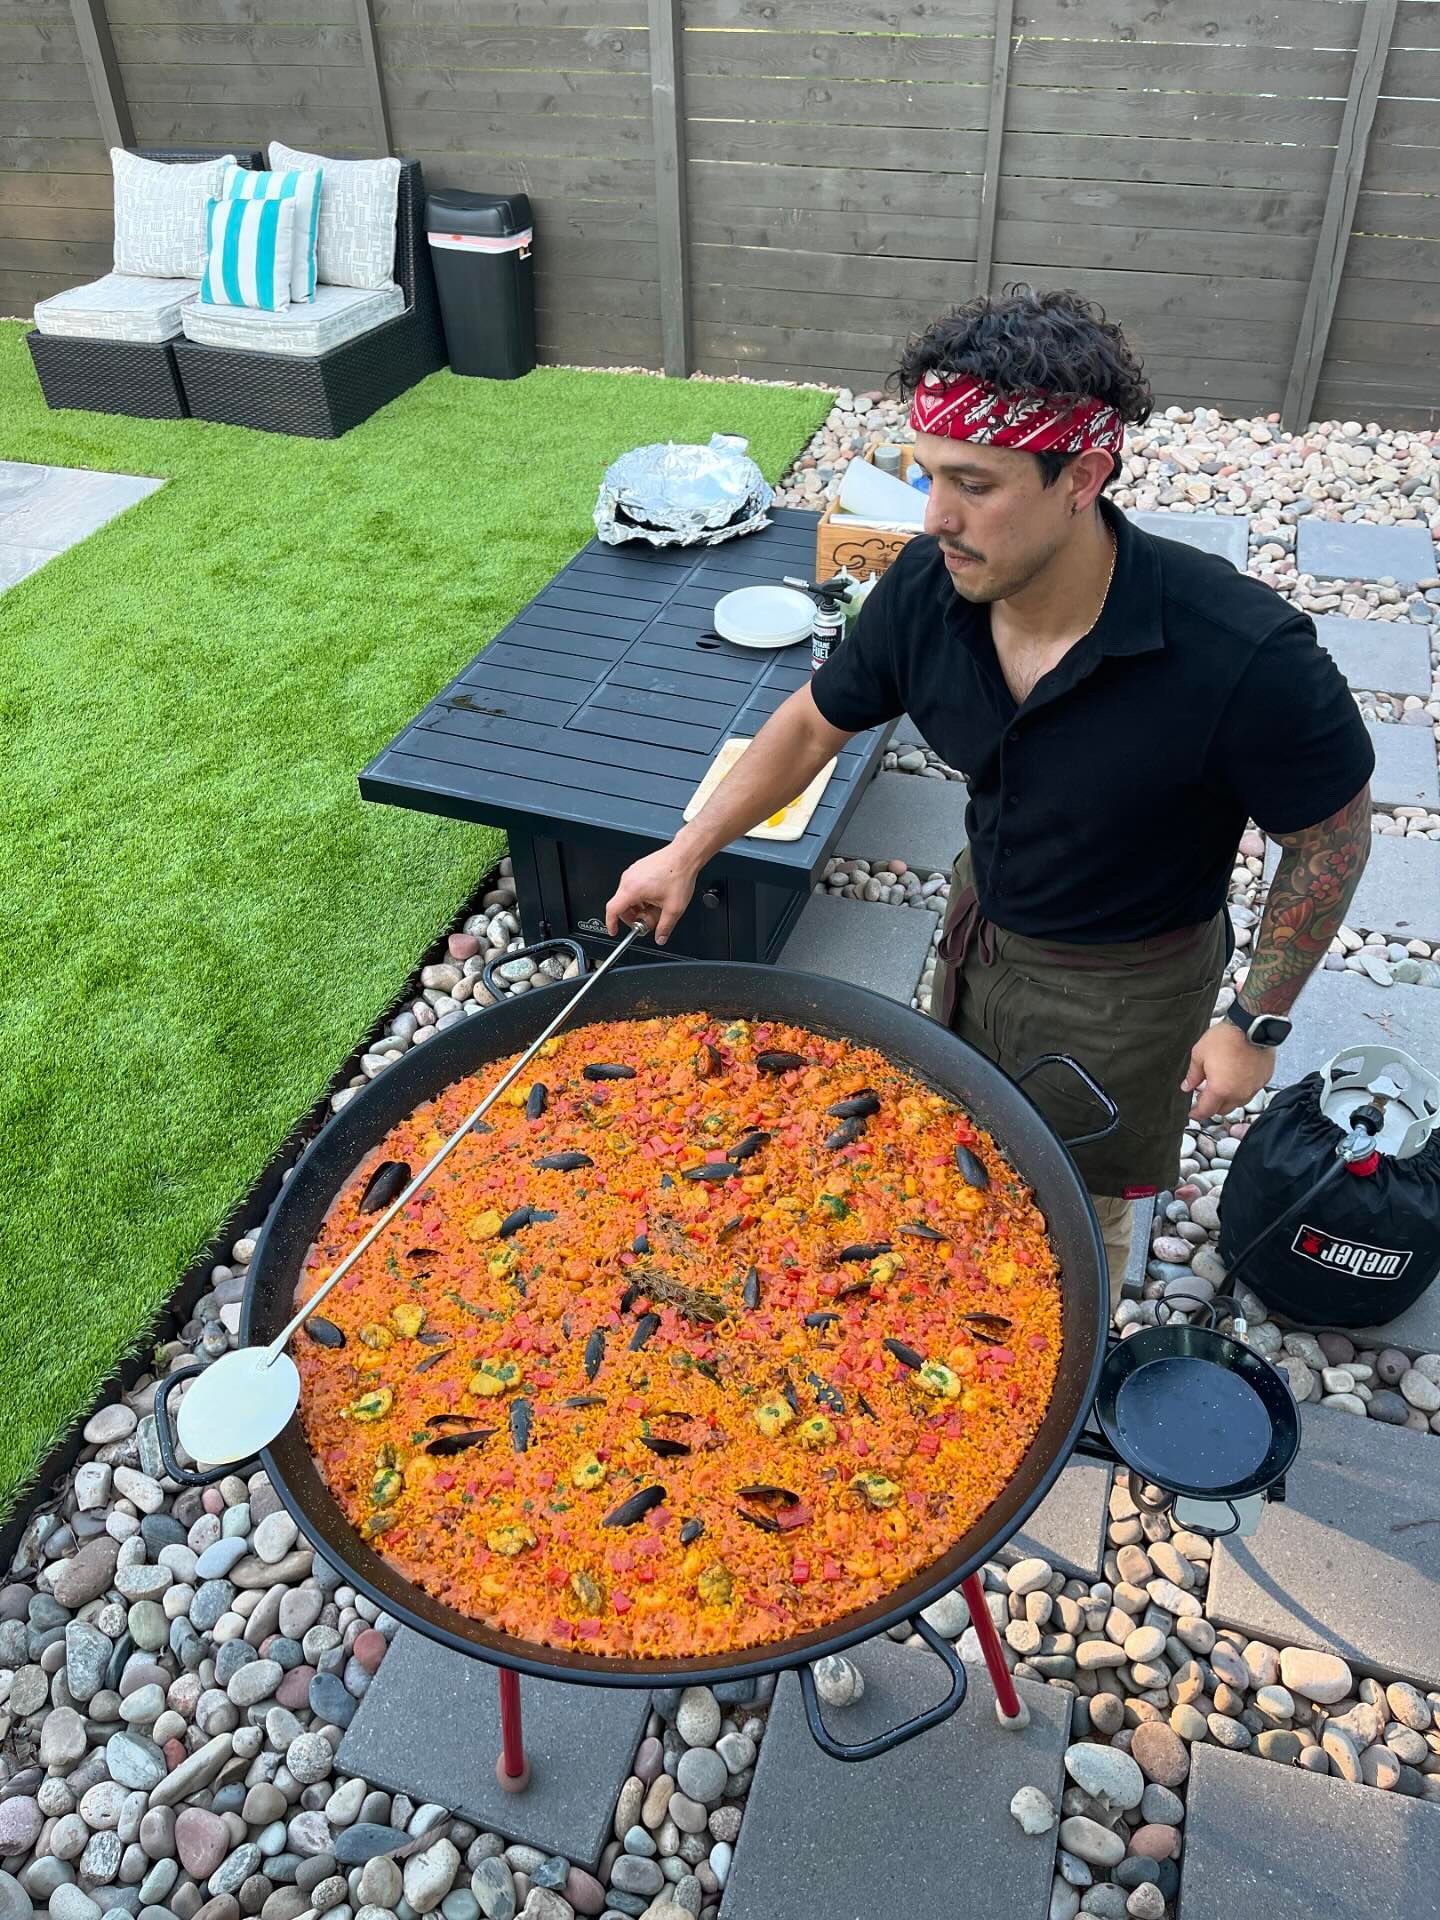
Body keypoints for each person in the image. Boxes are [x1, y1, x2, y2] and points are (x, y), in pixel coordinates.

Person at [607, 286, 1374, 1311]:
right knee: (963, 1133)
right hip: (980, 930)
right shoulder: (929, 589)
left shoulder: (1241, 653)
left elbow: (1330, 840)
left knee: (1076, 1203)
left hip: (1128, 988)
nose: (935, 518)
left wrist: (1255, 1022)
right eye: (928, 476)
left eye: (973, 484)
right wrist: (688, 849)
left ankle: (1071, 1324)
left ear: (1082, 476)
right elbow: (810, 724)